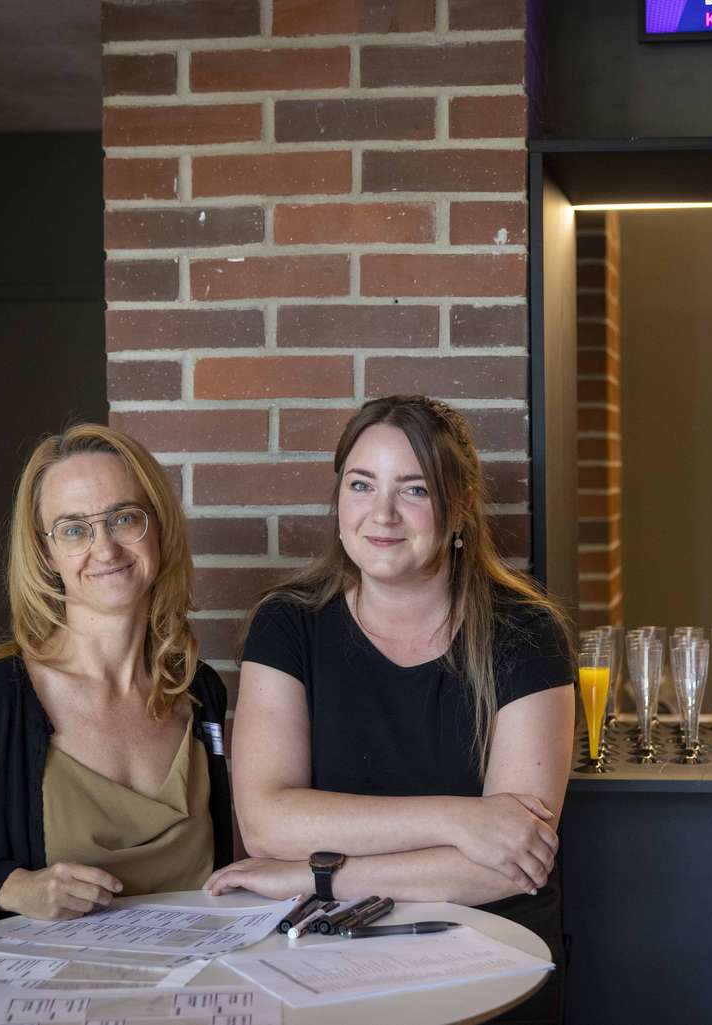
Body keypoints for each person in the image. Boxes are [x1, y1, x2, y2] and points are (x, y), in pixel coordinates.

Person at [203, 395, 574, 1024]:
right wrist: (461, 820)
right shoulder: (288, 623)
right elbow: (267, 823)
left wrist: (318, 877)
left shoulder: (526, 633)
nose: (382, 514)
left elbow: (511, 864)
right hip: (328, 958)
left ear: (460, 507)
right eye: (361, 484)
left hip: (493, 954)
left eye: (414, 490)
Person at [0, 424, 233, 926]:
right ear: (46, 553)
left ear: (159, 527)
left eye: (124, 518)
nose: (106, 549)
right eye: (74, 529)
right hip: (54, 977)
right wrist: (17, 887)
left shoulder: (199, 690)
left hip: (195, 971)